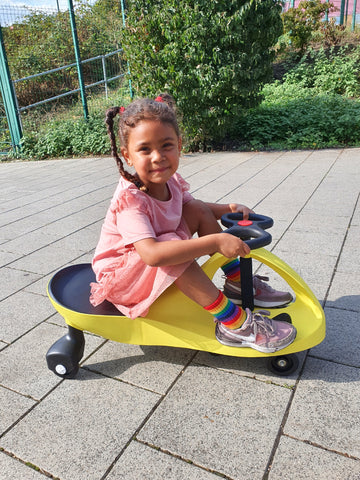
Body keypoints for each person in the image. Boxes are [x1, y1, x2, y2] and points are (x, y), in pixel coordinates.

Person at [90, 94, 296, 353]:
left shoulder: (170, 182)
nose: (158, 157)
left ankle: (237, 283)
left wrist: (227, 210)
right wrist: (214, 241)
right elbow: (153, 255)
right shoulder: (130, 201)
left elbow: (188, 206)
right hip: (123, 278)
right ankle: (234, 324)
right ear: (127, 156)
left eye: (166, 145)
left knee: (196, 208)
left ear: (179, 145)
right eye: (145, 149)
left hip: (151, 255)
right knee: (170, 248)